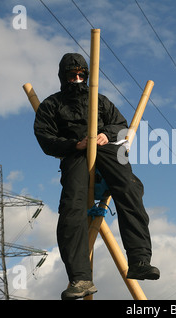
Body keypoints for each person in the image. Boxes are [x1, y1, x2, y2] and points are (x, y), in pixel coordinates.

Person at [34, 53, 159, 300]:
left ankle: (139, 260)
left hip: (107, 149)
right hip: (76, 154)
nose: (78, 79)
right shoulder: (52, 104)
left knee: (130, 188)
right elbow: (46, 139)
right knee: (72, 207)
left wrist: (105, 134)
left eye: (82, 75)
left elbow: (121, 126)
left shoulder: (100, 100)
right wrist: (74, 145)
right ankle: (80, 278)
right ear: (63, 77)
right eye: (72, 75)